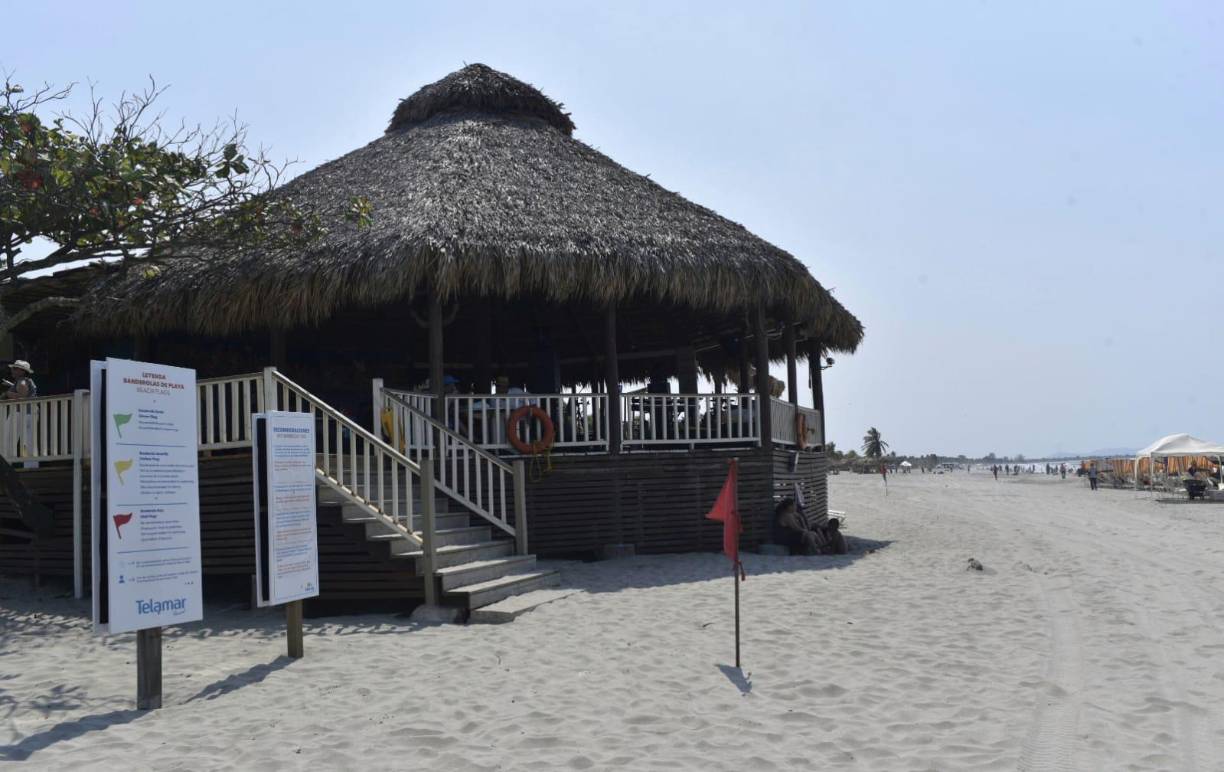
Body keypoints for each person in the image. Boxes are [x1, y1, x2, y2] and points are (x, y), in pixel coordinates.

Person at [773, 498, 846, 556]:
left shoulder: (791, 513)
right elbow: (796, 528)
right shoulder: (787, 515)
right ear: (789, 507)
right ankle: (817, 551)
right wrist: (806, 530)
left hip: (791, 534)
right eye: (794, 505)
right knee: (810, 535)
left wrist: (802, 519)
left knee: (813, 533)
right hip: (784, 537)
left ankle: (821, 548)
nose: (795, 507)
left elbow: (801, 519)